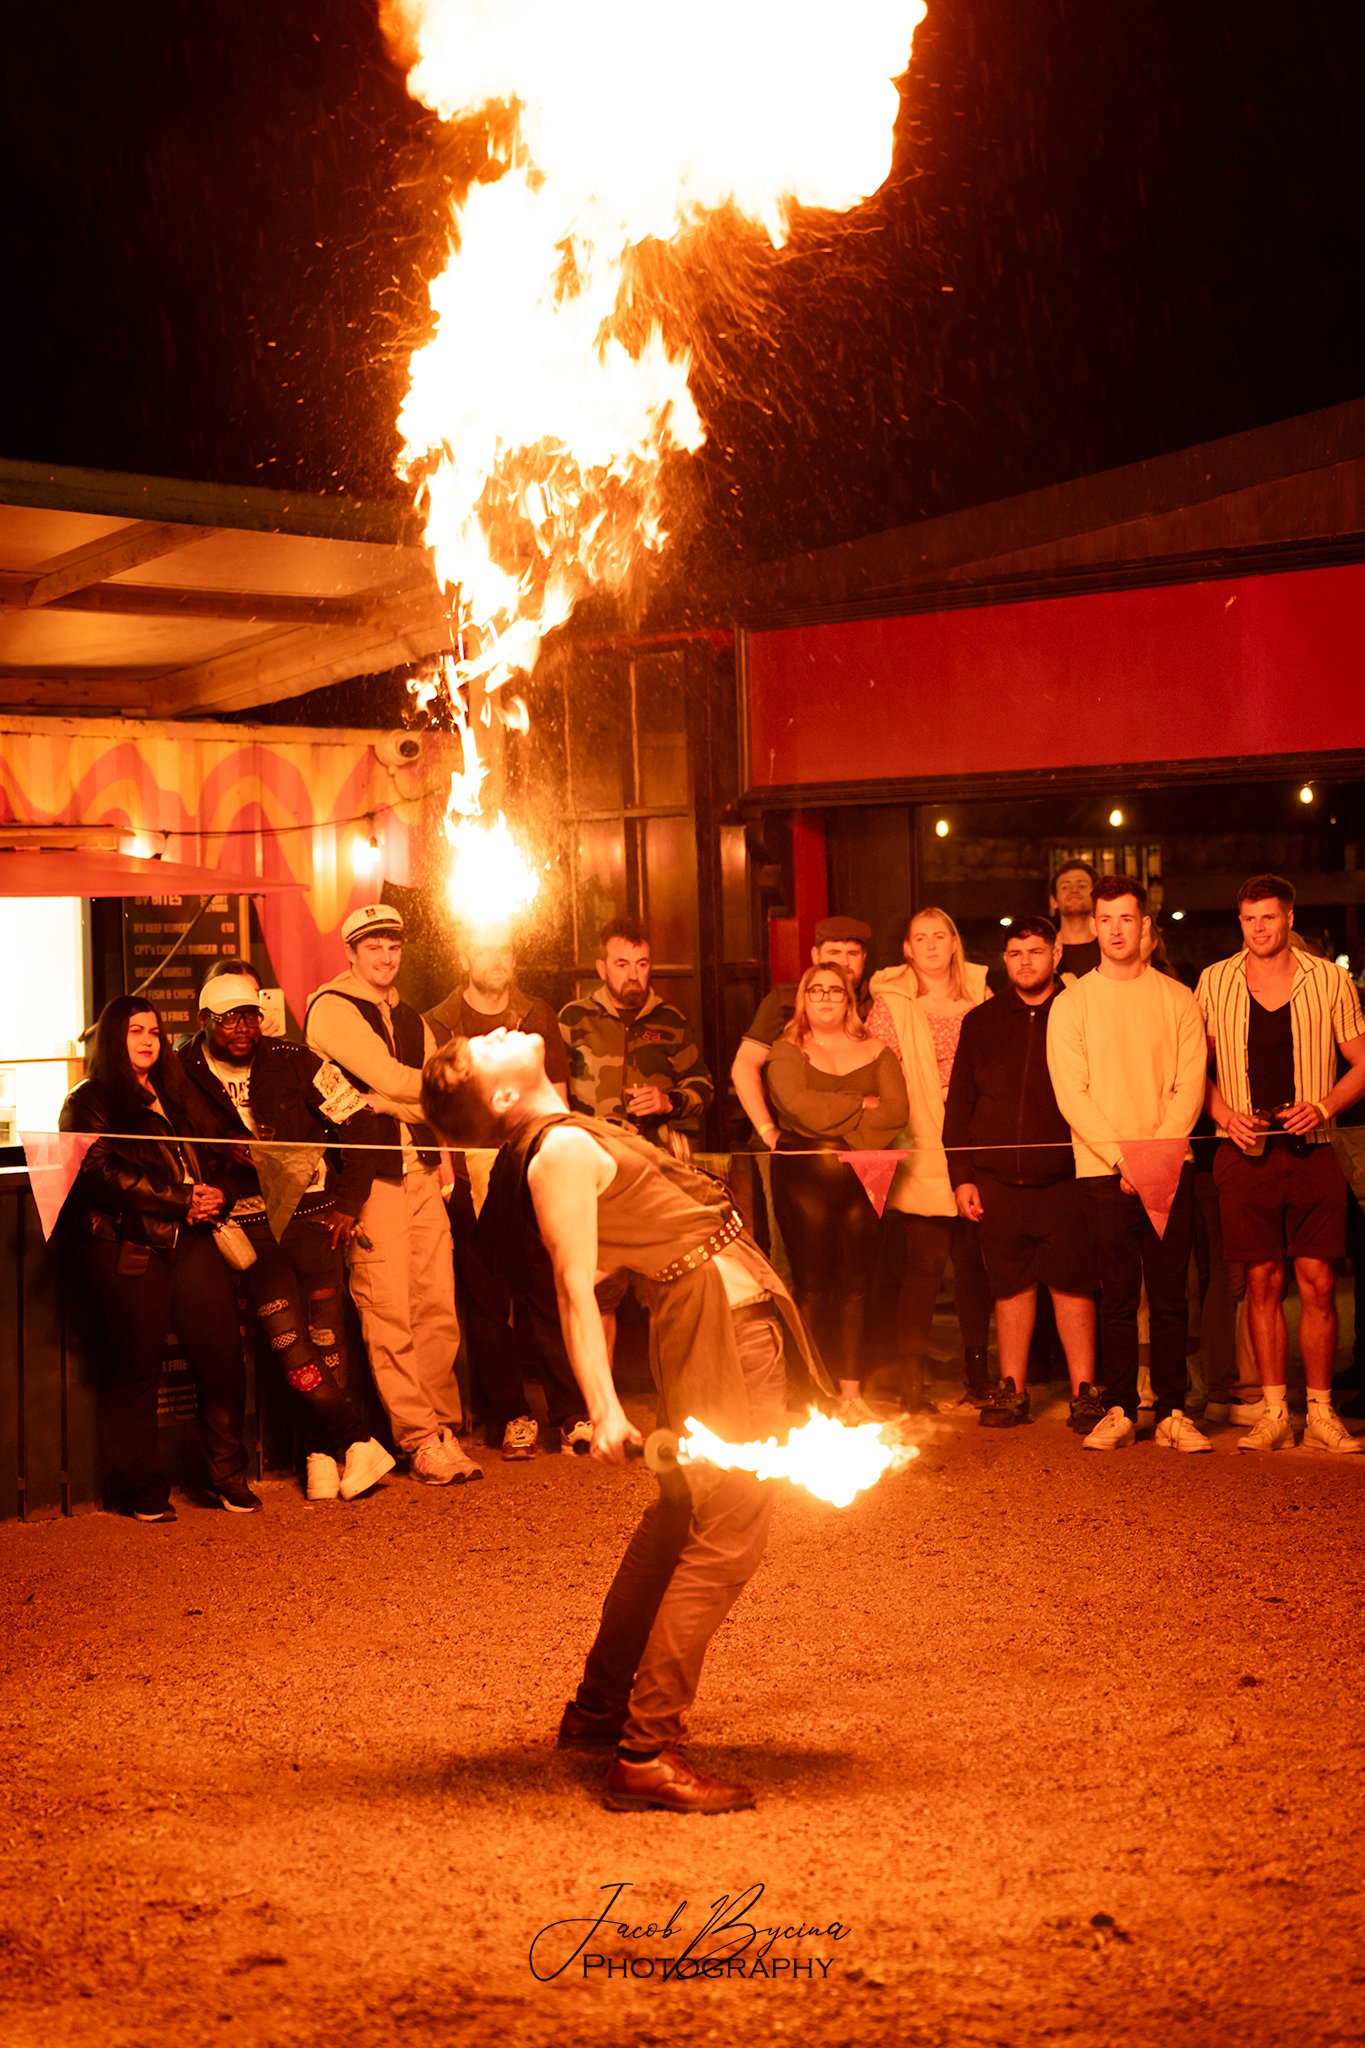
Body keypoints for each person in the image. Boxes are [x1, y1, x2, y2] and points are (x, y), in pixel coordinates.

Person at [420, 1026, 833, 1815]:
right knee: (730, 1529)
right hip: (716, 1322)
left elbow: (609, 1249)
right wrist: (603, 1406)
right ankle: (646, 1750)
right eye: (482, 1047)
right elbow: (575, 1288)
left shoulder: (567, 1135)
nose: (497, 1029)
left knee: (682, 1514)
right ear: (501, 1095)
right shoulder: (559, 1154)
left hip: (703, 1308)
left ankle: (600, 1709)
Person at [179, 972, 396, 1502]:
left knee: (329, 1341)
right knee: (287, 1343)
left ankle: (321, 1456)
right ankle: (357, 1438)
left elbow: (361, 1123)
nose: (242, 1028)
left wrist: (347, 1203)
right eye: (228, 1018)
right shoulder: (183, 1068)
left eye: (250, 1015)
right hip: (251, 1223)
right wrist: (220, 1148)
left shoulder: (296, 1059)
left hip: (315, 1212)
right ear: (204, 1021)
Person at [58, 997, 257, 1520]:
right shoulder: (88, 1099)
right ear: (111, 1039)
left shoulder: (179, 1088)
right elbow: (96, 1172)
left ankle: (226, 1477)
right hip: (128, 1245)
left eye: (154, 1030)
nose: (148, 1040)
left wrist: (220, 1195)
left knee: (222, 1361)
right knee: (136, 1371)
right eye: (133, 1031)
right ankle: (142, 1491)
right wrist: (180, 1198)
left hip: (193, 1240)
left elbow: (223, 1154)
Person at [305, 903, 479, 1485]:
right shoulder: (332, 1008)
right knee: (388, 1307)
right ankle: (417, 1438)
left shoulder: (410, 1016)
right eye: (374, 946)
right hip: (371, 1176)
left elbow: (438, 1095)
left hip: (422, 1168)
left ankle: (440, 1426)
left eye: (394, 946)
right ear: (350, 953)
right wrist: (403, 1094)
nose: (385, 956)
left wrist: (393, 1100)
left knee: (436, 1305)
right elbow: (404, 1080)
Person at [1196, 875, 1365, 1454]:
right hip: (1244, 1150)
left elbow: (1362, 1063)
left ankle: (1320, 1410)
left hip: (1315, 1148)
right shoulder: (1215, 980)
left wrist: (1323, 1105)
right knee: (1261, 1282)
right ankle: (1274, 1411)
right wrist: (1222, 1114)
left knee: (1317, 1281)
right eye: (1249, 919)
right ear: (1239, 921)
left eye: (1269, 917)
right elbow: (1197, 1068)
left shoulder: (1330, 979)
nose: (1259, 928)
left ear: (1289, 918)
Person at [1046, 875, 1208, 1452]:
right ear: (1093, 926)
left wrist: (1156, 1157)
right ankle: (1119, 1407)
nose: (1116, 930)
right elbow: (1074, 1094)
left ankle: (1171, 1410)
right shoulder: (1072, 1004)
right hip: (1101, 1170)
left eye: (1127, 919)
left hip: (1170, 1165)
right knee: (1115, 1297)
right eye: (1106, 919)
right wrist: (1124, 1158)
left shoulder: (1178, 998)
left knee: (1169, 1297)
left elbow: (1189, 1086)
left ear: (1144, 925)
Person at [426, 932, 590, 1458]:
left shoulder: (536, 1014)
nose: (493, 959)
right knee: (486, 1301)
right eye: (483, 949)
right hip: (469, 1175)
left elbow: (557, 1097)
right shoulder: (440, 1021)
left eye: (501, 950)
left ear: (512, 959)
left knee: (549, 1291)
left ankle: (571, 1414)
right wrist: (447, 1175)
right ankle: (512, 1414)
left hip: (530, 1164)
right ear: (466, 956)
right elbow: (439, 1109)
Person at [944, 918, 1100, 1431]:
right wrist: (961, 1174)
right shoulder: (982, 1021)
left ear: (1057, 955)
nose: (1026, 961)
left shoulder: (1078, 1014)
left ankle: (1085, 1391)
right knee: (1009, 1287)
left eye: (1036, 951)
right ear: (1004, 960)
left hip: (1066, 1176)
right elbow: (961, 1102)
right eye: (1016, 953)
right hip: (995, 1179)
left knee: (1075, 1285)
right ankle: (1012, 1390)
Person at [764, 963, 908, 1415]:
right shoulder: (787, 1050)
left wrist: (841, 1133)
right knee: (810, 1287)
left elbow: (897, 1112)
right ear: (804, 998)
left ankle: (850, 1394)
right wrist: (859, 1105)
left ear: (850, 999)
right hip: (803, 1182)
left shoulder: (878, 1050)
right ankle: (807, 1393)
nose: (826, 998)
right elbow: (798, 1106)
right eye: (816, 991)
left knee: (856, 1286)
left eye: (836, 991)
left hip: (866, 1177)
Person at [869, 907, 994, 1411]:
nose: (931, 945)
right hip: (920, 1139)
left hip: (973, 1137)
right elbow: (880, 1069)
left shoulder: (980, 997)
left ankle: (979, 1374)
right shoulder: (892, 1004)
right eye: (920, 937)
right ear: (907, 948)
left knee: (973, 1266)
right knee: (922, 1268)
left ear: (954, 941)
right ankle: (911, 1385)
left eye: (940, 935)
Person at [731, 916, 898, 1149]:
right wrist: (768, 1132)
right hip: (791, 1141)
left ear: (864, 958)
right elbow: (745, 1065)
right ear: (815, 956)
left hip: (862, 1147)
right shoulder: (785, 1000)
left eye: (852, 953)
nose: (844, 962)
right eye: (834, 953)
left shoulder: (878, 1002)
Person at [558, 919, 713, 1143]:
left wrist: (668, 1102)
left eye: (641, 964)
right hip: (590, 1154)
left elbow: (703, 1088)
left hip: (652, 1156)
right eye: (622, 965)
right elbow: (550, 1092)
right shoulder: (574, 1019)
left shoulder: (671, 1021)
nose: (633, 975)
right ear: (602, 969)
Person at [1050, 860, 1101, 979]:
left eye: (1082, 886)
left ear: (1096, 897)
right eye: (1065, 887)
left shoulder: (1111, 948)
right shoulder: (1045, 952)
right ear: (1053, 901)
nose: (1074, 891)